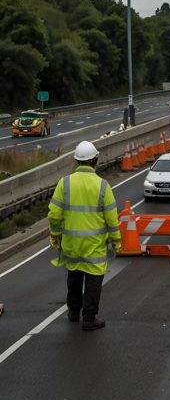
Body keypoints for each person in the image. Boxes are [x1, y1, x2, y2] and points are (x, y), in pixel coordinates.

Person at [48, 141, 121, 331]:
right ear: (95, 160)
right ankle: (88, 318)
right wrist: (117, 243)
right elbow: (112, 220)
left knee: (74, 277)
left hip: (71, 244)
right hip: (94, 246)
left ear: (76, 161)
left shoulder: (64, 184)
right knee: (93, 281)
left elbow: (54, 215)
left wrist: (55, 236)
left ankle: (73, 312)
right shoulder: (103, 187)